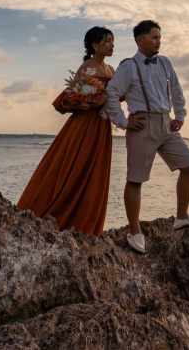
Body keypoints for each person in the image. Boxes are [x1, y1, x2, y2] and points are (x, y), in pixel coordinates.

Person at [105, 20, 189, 253]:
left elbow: (177, 90)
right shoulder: (128, 66)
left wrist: (179, 115)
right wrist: (122, 122)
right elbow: (111, 93)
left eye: (159, 37)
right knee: (135, 179)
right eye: (154, 37)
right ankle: (134, 230)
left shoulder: (164, 62)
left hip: (166, 123)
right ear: (139, 40)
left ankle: (181, 217)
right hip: (141, 125)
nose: (158, 40)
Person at [16, 26, 115, 237]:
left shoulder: (111, 70)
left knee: (94, 172)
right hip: (84, 125)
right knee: (76, 168)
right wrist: (93, 101)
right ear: (95, 45)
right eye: (107, 41)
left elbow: (117, 95)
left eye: (113, 41)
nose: (111, 45)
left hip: (102, 126)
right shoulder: (87, 67)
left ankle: (86, 223)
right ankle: (61, 216)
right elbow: (72, 97)